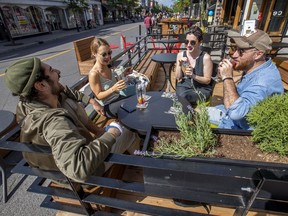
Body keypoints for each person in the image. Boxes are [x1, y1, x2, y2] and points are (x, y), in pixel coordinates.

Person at [4, 57, 139, 183]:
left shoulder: (27, 103)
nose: (58, 71)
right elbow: (78, 169)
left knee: (69, 101)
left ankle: (105, 137)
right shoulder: (53, 121)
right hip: (87, 172)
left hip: (58, 167)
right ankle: (142, 161)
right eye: (52, 71)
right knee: (128, 130)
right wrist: (113, 133)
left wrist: (91, 101)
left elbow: (65, 90)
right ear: (41, 86)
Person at [211, 30, 284, 130]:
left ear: (258, 54)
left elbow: (236, 113)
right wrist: (226, 78)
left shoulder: (262, 83)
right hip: (231, 114)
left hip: (241, 128)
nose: (235, 54)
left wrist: (227, 78)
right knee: (193, 112)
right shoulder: (255, 67)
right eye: (235, 49)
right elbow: (230, 105)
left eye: (241, 51)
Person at [89, 37, 134, 118]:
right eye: (104, 54)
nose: (108, 57)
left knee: (137, 100)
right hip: (107, 106)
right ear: (94, 53)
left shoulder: (108, 65)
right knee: (133, 106)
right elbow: (98, 96)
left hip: (117, 98)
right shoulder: (94, 74)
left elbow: (114, 81)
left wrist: (124, 74)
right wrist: (113, 88)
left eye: (109, 53)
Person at [175, 26, 213, 105]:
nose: (188, 45)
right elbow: (178, 77)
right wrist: (179, 65)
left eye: (192, 42)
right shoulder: (180, 55)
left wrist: (193, 76)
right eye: (186, 42)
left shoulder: (205, 58)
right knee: (180, 96)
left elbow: (207, 80)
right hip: (185, 86)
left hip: (201, 88)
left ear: (200, 42)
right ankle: (187, 114)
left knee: (183, 97)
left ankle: (189, 115)